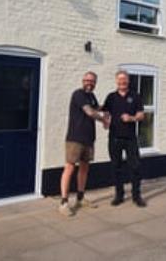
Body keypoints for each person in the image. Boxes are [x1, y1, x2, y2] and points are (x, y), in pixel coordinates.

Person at [59, 71, 109, 217]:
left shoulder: (91, 96)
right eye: (87, 80)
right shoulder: (78, 94)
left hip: (88, 139)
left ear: (95, 83)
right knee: (69, 168)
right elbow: (89, 112)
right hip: (75, 138)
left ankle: (80, 198)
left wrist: (108, 107)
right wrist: (104, 120)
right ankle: (63, 202)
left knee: (84, 169)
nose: (89, 83)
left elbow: (95, 108)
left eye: (92, 81)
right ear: (83, 81)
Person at [103, 70, 147, 207]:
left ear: (128, 81)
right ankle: (119, 195)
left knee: (135, 167)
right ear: (116, 81)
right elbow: (106, 111)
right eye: (120, 79)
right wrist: (105, 121)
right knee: (116, 167)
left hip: (130, 138)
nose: (122, 82)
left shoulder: (135, 96)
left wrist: (132, 118)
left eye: (125, 79)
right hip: (114, 137)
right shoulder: (111, 96)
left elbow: (141, 115)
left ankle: (136, 196)